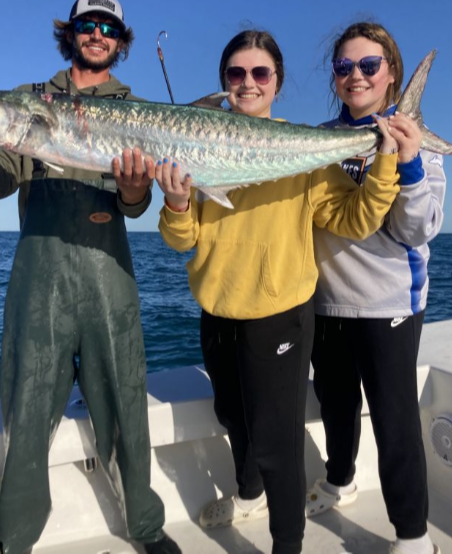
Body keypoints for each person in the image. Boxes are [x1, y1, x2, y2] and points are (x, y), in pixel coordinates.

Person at [153, 29, 419, 554]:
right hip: (218, 311)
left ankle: (287, 545)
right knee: (234, 419)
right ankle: (248, 493)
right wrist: (178, 203)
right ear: (223, 84)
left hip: (280, 314)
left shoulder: (303, 148)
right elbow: (184, 239)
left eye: (260, 73)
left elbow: (356, 217)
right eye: (236, 73)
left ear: (276, 82)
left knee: (278, 442)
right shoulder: (194, 143)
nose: (248, 83)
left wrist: (387, 158)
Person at [0, 0, 181, 554]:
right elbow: (1, 181)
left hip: (108, 270)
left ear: (119, 41)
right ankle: (15, 535)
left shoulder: (138, 111)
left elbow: (134, 207)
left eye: (107, 27)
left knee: (127, 399)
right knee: (27, 405)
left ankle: (145, 525)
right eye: (87, 24)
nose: (96, 33)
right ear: (71, 32)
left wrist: (133, 188)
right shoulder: (31, 101)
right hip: (39, 271)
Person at [307, 22, 444, 554]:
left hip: (389, 305)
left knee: (394, 420)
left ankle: (412, 534)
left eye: (369, 65)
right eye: (345, 67)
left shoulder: (422, 145)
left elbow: (418, 228)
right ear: (336, 78)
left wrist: (406, 161)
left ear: (391, 74)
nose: (356, 75)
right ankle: (340, 481)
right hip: (325, 303)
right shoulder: (320, 139)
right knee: (336, 405)